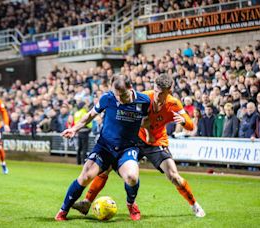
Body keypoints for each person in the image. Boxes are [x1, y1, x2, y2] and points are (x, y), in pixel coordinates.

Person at [72, 74, 206, 218]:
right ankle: (87, 202)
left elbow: (191, 126)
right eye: (155, 90)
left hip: (156, 142)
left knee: (174, 176)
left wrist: (183, 121)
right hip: (134, 140)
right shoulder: (145, 98)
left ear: (169, 91)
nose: (156, 95)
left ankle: (194, 205)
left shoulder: (174, 104)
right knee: (105, 168)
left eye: (161, 93)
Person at [55, 75, 151, 221]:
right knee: (85, 176)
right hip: (104, 147)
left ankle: (131, 204)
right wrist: (75, 129)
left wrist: (149, 134)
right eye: (117, 95)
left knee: (132, 177)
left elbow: (147, 120)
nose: (120, 99)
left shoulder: (144, 101)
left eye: (123, 95)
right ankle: (63, 210)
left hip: (127, 148)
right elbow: (90, 115)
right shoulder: (108, 98)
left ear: (130, 88)